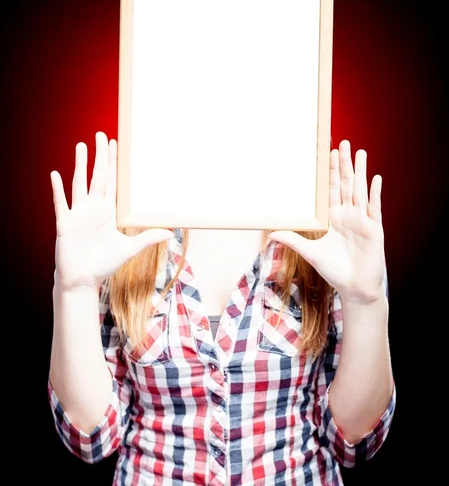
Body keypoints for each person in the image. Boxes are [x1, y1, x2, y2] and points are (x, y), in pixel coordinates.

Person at [48, 131, 396, 485]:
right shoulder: (123, 231)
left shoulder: (324, 232)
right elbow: (91, 438)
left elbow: (354, 440)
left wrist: (365, 301)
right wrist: (74, 289)